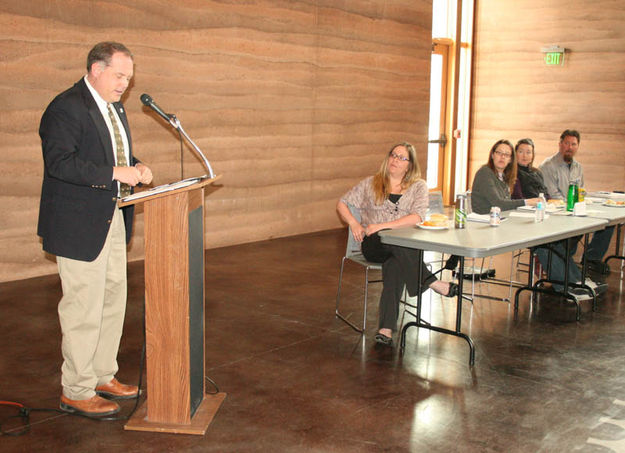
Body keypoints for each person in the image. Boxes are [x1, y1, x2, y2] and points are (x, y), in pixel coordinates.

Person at [38, 42, 153, 417]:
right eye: (119, 76)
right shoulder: (66, 107)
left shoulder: (112, 106)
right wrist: (116, 174)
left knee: (111, 300)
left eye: (129, 78)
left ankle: (102, 375)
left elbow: (109, 155)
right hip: (77, 224)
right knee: (83, 308)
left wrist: (135, 165)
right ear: (95, 69)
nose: (125, 85)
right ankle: (75, 388)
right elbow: (61, 163)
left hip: (112, 217)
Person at [337, 142, 457, 347]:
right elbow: (342, 203)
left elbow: (417, 217)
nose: (395, 160)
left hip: (403, 246)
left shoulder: (418, 186)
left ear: (410, 165)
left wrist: (383, 225)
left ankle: (386, 328)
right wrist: (354, 223)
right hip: (374, 244)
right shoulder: (371, 183)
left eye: (402, 158)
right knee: (395, 245)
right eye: (393, 155)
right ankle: (431, 282)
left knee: (395, 262)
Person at [511, 138, 605, 298]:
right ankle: (566, 288)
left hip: (543, 215)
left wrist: (551, 204)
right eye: (521, 151)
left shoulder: (535, 172)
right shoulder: (513, 174)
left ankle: (578, 282)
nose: (525, 155)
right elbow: (518, 200)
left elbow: (545, 195)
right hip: (523, 221)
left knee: (557, 243)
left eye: (529, 152)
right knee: (545, 244)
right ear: (515, 154)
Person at [540, 129, 614, 275]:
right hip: (556, 213)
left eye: (573, 144)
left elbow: (581, 191)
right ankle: (562, 259)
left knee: (608, 223)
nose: (570, 147)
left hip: (574, 210)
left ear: (578, 147)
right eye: (566, 143)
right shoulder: (548, 166)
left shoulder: (578, 167)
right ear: (560, 144)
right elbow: (553, 196)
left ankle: (591, 258)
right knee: (577, 227)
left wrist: (582, 202)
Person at [471, 139, 541, 215]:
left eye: (507, 155)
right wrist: (527, 202)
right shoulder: (484, 173)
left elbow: (507, 202)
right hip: (483, 221)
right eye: (499, 153)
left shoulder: (505, 175)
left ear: (510, 159)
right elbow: (499, 204)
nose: (502, 157)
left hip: (501, 218)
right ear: (492, 155)